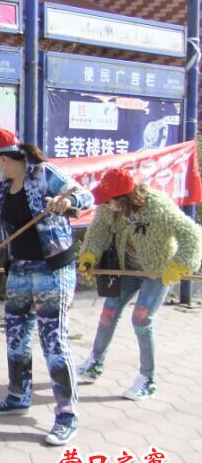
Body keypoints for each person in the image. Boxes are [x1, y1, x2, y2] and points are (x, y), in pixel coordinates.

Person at [0, 126, 93, 446]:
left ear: (2, 158)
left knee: (53, 341)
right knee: (16, 336)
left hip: (52, 270)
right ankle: (18, 395)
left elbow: (85, 196)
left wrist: (67, 200)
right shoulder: (4, 188)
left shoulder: (45, 174)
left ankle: (67, 415)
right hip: (18, 270)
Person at [76, 168, 202, 400]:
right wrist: (89, 254)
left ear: (125, 197)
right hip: (127, 269)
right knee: (108, 312)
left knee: (141, 319)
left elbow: (192, 234)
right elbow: (98, 231)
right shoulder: (109, 207)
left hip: (157, 271)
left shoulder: (158, 206)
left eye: (110, 200)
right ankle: (94, 363)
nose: (106, 204)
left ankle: (147, 379)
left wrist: (180, 263)